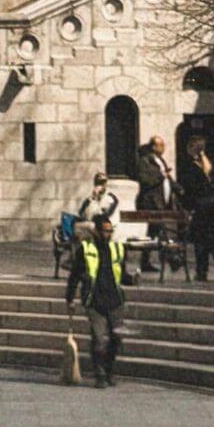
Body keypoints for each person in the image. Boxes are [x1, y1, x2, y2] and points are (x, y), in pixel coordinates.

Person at [65, 211, 132, 387]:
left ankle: (109, 370)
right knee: (99, 340)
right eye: (105, 231)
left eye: (110, 231)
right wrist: (70, 298)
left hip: (114, 300)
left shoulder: (117, 249)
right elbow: (75, 276)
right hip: (94, 301)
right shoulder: (86, 250)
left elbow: (122, 274)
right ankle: (100, 374)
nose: (108, 235)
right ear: (96, 231)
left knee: (116, 339)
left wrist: (132, 279)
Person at [181, 134, 214, 280]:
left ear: (191, 149)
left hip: (199, 205)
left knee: (200, 239)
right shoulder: (210, 164)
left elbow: (189, 189)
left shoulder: (189, 167)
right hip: (213, 204)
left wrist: (187, 207)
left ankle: (202, 272)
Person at [137, 133, 179, 272]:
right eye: (160, 145)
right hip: (152, 203)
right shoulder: (145, 161)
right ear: (153, 146)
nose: (163, 147)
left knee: (154, 232)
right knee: (159, 231)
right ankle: (171, 258)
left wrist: (179, 189)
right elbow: (145, 180)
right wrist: (162, 176)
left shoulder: (160, 160)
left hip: (163, 202)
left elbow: (168, 179)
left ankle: (148, 260)